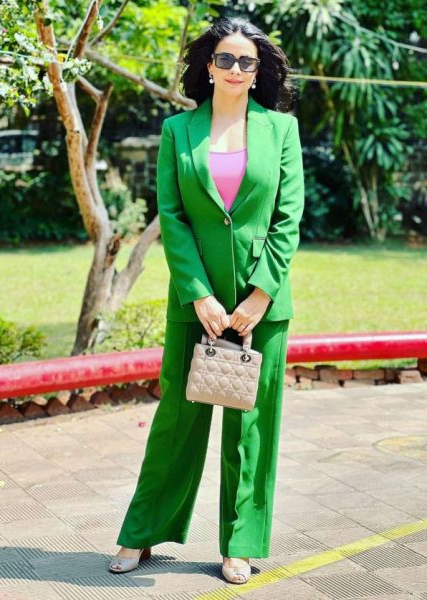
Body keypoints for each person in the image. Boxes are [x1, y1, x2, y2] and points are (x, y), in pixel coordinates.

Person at [109, 15, 304, 585]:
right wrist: (199, 296)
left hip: (262, 303)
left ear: (259, 69)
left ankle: (240, 542)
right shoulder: (178, 131)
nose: (237, 69)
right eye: (226, 58)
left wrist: (260, 296)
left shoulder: (281, 131)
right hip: (194, 303)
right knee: (177, 419)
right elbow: (171, 217)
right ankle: (141, 532)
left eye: (248, 61)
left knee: (252, 426)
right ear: (209, 66)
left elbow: (288, 218)